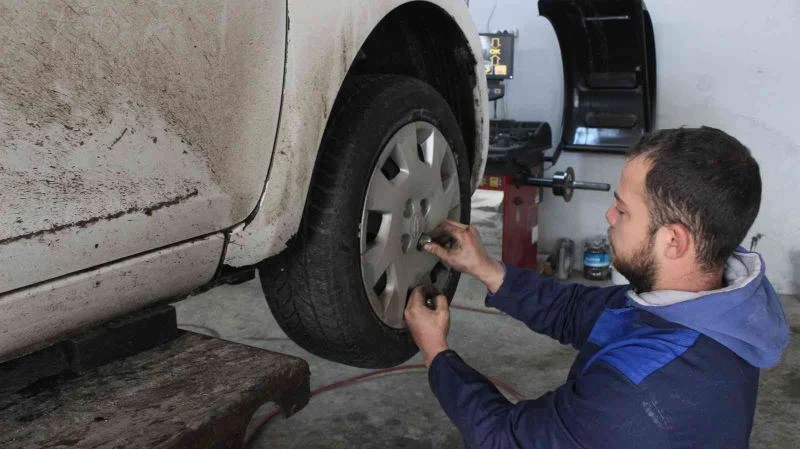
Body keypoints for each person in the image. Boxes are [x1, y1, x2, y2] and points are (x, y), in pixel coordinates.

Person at [404, 127, 789, 449]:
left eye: (622, 210)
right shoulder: (709, 301)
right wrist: (486, 269)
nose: (609, 216)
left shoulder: (641, 394)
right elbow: (577, 310)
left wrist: (437, 352)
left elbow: (505, 439)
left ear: (674, 241)